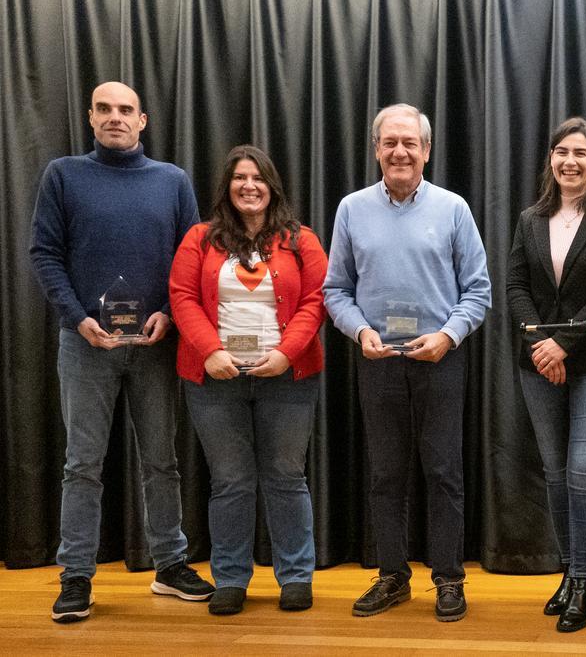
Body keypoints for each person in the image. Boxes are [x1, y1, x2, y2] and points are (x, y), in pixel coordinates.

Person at [29, 81, 214, 623]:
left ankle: (170, 565)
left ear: (143, 120)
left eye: (125, 110)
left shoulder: (172, 181)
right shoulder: (63, 175)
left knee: (163, 461)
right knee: (82, 465)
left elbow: (192, 258)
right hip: (86, 343)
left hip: (155, 344)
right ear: (90, 117)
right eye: (105, 109)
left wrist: (170, 314)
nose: (115, 117)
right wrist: (77, 317)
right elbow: (43, 253)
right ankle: (77, 577)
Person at [324, 103, 491, 622]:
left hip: (440, 358)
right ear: (377, 149)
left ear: (427, 150)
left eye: (409, 143)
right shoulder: (351, 209)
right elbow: (335, 290)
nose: (400, 151)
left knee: (444, 472)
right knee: (386, 474)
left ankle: (448, 579)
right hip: (377, 359)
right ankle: (393, 574)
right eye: (390, 142)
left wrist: (448, 336)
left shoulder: (453, 209)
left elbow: (478, 291)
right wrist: (361, 331)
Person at [169, 145, 328, 615]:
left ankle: (296, 576)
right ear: (227, 187)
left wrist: (284, 353)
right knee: (231, 481)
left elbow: (317, 301)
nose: (249, 186)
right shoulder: (199, 238)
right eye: (239, 177)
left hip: (288, 376)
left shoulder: (302, 240)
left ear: (271, 185)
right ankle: (232, 578)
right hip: (215, 377)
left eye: (257, 178)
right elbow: (181, 297)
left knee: (285, 476)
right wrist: (211, 350)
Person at [506, 117, 586, 632]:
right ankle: (567, 571)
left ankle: (583, 581)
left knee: (584, 471)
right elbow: (515, 286)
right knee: (556, 474)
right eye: (561, 152)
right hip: (538, 365)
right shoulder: (530, 218)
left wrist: (563, 343)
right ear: (551, 159)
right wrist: (542, 347)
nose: (570, 162)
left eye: (580, 153)